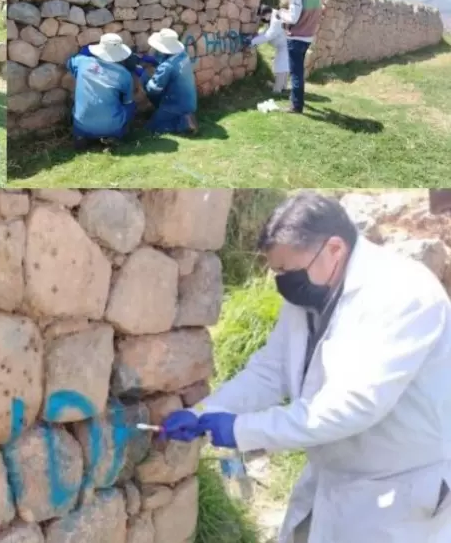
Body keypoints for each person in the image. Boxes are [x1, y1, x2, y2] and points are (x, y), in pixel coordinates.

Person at [161, 191, 451, 543]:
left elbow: (353, 407)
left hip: (395, 493)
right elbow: (270, 370)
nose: (282, 281)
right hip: (333, 476)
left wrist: (241, 429)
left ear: (334, 249)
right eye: (277, 271)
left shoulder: (403, 295)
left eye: (287, 270)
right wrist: (207, 411)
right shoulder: (314, 287)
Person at [66, 33, 136, 150]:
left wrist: (85, 52)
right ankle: (115, 135)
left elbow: (69, 63)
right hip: (112, 127)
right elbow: (127, 102)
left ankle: (80, 137)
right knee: (131, 105)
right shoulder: (124, 75)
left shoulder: (82, 62)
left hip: (81, 125)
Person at [277, 0, 322, 114]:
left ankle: (296, 106)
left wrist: (281, 14)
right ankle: (297, 100)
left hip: (297, 37)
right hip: (308, 36)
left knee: (296, 73)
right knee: (299, 71)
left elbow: (293, 17)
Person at [136, 28, 198, 135]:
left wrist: (143, 75)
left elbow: (153, 90)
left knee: (151, 128)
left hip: (175, 104)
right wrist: (155, 61)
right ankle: (184, 115)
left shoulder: (167, 66)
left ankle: (183, 123)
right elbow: (170, 64)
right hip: (189, 101)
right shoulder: (183, 55)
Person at [249, 4, 289, 94]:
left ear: (267, 13)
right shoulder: (273, 15)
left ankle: (277, 90)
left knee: (280, 66)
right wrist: (256, 37)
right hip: (284, 44)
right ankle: (283, 86)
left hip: (285, 45)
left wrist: (252, 42)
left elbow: (268, 35)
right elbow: (266, 31)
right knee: (284, 65)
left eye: (262, 16)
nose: (262, 18)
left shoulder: (276, 20)